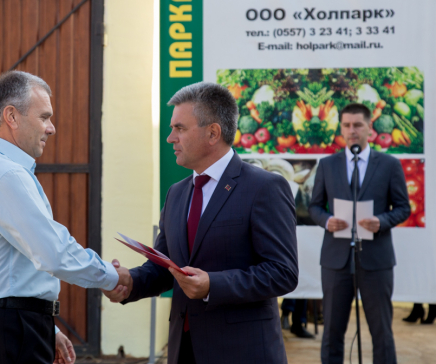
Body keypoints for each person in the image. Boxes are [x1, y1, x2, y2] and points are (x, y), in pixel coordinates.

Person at [104, 82, 299, 364]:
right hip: (184, 350)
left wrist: (212, 285)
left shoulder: (265, 187)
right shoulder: (176, 193)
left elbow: (283, 272)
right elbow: (165, 267)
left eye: (180, 128)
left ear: (213, 133)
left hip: (242, 353)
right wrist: (129, 281)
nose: (170, 138)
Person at [0, 71, 130, 364]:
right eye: (44, 117)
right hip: (9, 328)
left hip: (9, 324)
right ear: (12, 116)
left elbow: (12, 268)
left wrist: (47, 327)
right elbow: (53, 253)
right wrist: (113, 278)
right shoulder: (6, 174)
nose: (52, 128)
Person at [309, 103, 410, 364]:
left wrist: (381, 221)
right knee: (332, 331)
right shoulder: (327, 165)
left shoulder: (389, 164)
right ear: (341, 128)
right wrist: (327, 220)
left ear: (369, 127)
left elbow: (403, 208)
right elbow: (314, 207)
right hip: (336, 260)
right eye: (346, 125)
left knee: (382, 331)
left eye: (357, 125)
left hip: (376, 259)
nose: (352, 130)